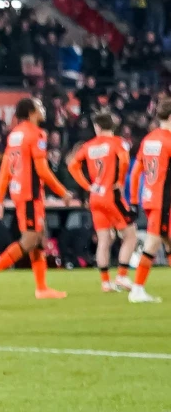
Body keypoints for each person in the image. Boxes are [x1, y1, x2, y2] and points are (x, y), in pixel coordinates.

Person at [0, 98, 73, 300]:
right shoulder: (36, 134)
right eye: (39, 106)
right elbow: (42, 170)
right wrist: (62, 191)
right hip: (30, 193)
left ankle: (41, 288)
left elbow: (6, 167)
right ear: (31, 112)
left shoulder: (15, 135)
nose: (42, 109)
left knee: (39, 239)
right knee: (30, 239)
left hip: (19, 191)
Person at [65, 111, 136, 292]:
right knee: (130, 235)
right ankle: (121, 276)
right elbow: (125, 160)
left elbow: (72, 165)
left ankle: (105, 282)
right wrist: (120, 181)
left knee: (105, 238)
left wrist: (88, 186)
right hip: (111, 196)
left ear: (97, 127)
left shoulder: (89, 146)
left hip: (95, 197)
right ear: (112, 126)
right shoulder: (118, 142)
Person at [126, 98, 171, 303]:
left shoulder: (149, 139)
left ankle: (137, 288)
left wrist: (134, 201)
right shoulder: (169, 140)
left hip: (150, 198)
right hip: (164, 200)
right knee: (153, 243)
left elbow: (136, 172)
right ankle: (137, 289)